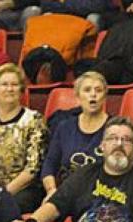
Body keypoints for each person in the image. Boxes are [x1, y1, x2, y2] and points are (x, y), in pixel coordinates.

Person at [3, 116, 133, 222]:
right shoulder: (85, 174)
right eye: (112, 138)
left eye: (126, 140)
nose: (119, 144)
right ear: (102, 146)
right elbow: (56, 204)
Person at [0, 63, 46, 214]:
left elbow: (32, 169)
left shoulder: (33, 120)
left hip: (21, 190)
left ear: (21, 90)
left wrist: (0, 195)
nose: (10, 89)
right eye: (4, 84)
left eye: (14, 85)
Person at [41, 71, 108, 202]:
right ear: (77, 97)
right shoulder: (64, 127)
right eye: (87, 90)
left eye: (98, 90)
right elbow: (49, 164)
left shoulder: (114, 128)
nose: (93, 94)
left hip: (100, 196)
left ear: (105, 97)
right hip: (66, 195)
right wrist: (51, 190)